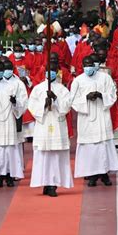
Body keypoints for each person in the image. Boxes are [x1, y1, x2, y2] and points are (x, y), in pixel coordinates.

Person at [71, 56, 118, 187]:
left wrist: (101, 95)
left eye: (90, 64)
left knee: (103, 146)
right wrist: (86, 98)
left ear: (94, 65)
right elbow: (73, 100)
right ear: (82, 66)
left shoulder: (105, 78)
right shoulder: (78, 81)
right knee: (90, 148)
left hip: (101, 115)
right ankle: (92, 175)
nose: (88, 67)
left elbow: (112, 94)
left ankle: (104, 174)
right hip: (86, 118)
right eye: (85, 64)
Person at [29, 61, 74, 197]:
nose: (51, 72)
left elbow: (67, 106)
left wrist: (56, 99)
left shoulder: (62, 89)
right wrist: (44, 105)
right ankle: (44, 182)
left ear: (58, 72)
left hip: (57, 125)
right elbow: (31, 105)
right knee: (43, 156)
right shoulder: (38, 89)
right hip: (43, 125)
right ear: (45, 71)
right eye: (49, 70)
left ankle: (53, 184)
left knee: (55, 156)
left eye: (54, 70)